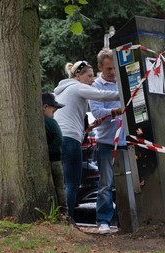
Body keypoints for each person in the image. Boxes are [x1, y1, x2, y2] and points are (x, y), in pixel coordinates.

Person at [53, 60, 123, 220]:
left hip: (58, 139)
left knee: (62, 183)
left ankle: (59, 218)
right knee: (72, 184)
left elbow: (67, 119)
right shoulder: (77, 87)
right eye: (89, 76)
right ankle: (68, 220)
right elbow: (102, 95)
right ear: (78, 75)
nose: (92, 80)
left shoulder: (60, 91)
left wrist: (88, 129)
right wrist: (126, 92)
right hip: (71, 141)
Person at [89, 49, 126, 234]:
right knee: (106, 184)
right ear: (100, 67)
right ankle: (103, 220)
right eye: (109, 68)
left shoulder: (123, 83)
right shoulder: (96, 87)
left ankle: (124, 220)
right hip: (106, 141)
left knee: (124, 183)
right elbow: (96, 113)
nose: (112, 72)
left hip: (126, 142)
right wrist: (114, 112)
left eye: (115, 68)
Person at [42, 93, 68, 216]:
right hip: (55, 160)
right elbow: (59, 139)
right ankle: (64, 211)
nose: (54, 113)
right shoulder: (51, 122)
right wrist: (50, 151)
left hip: (43, 161)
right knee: (59, 186)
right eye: (53, 109)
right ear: (45, 107)